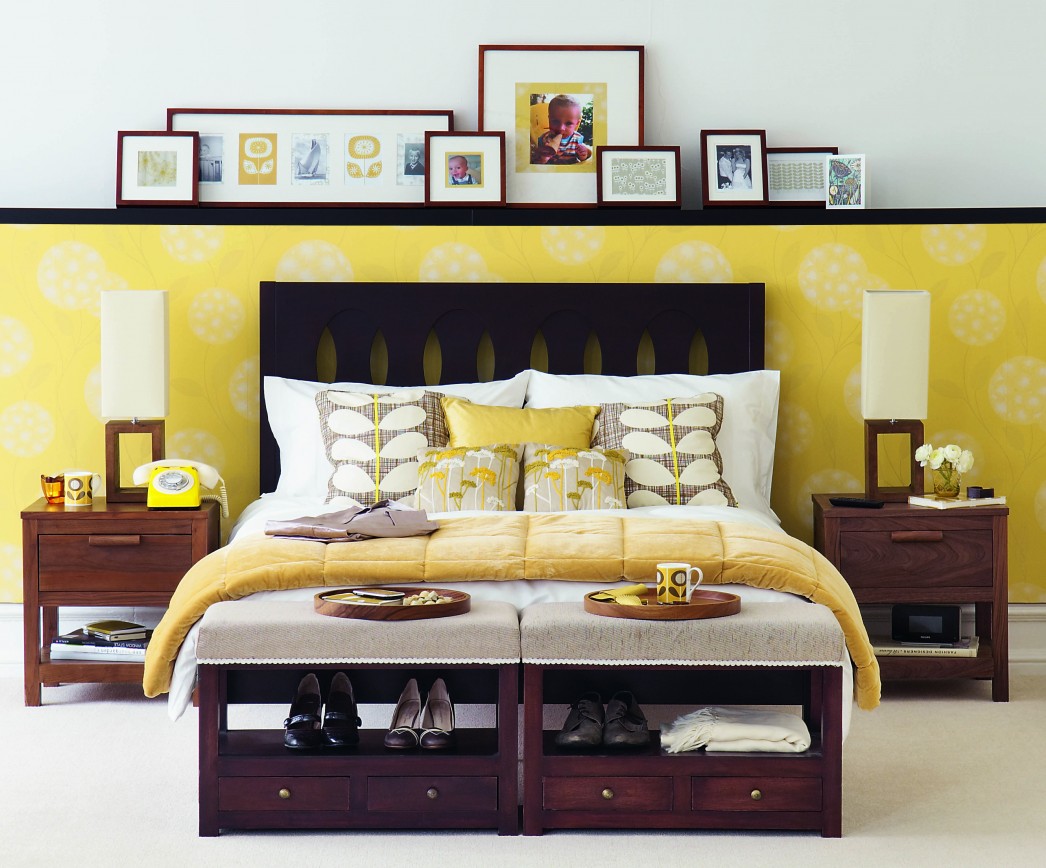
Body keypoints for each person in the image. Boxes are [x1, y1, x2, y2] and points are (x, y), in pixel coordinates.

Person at [531, 94, 592, 164]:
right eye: (555, 121)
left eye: (568, 123)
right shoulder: (544, 139)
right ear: (549, 119)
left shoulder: (577, 139)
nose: (561, 128)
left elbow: (582, 161)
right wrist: (543, 157)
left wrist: (583, 155)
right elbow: (537, 162)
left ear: (576, 124)